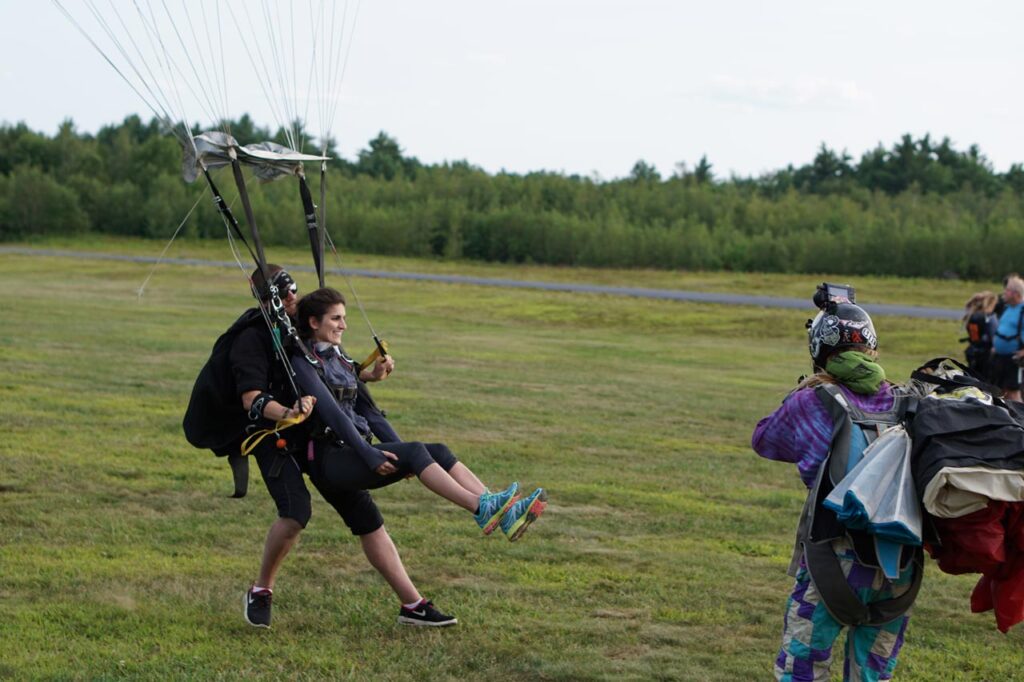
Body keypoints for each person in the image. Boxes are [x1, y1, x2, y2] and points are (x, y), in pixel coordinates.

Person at [288, 286, 547, 627]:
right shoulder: (302, 362)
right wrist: (371, 454)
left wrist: (402, 454)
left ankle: (499, 511)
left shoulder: (339, 358)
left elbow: (371, 413)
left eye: (344, 318)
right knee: (412, 457)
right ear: (313, 322)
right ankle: (482, 508)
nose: (343, 326)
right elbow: (334, 416)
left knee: (433, 452)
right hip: (330, 459)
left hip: (352, 452)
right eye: (336, 319)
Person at [751, 298, 917, 682]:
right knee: (872, 675)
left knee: (803, 669)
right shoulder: (908, 401)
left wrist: (801, 393)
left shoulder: (813, 401)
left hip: (835, 560)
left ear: (819, 351)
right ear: (871, 346)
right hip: (901, 566)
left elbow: (765, 440)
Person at [235, 265, 399, 629]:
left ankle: (413, 604)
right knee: (296, 512)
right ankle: (261, 590)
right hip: (272, 437)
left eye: (293, 289)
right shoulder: (251, 339)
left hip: (314, 436)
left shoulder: (298, 327)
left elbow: (329, 366)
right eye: (283, 293)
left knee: (366, 516)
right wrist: (288, 412)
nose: (292, 297)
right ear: (266, 299)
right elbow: (251, 399)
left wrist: (367, 374)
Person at [990, 276, 1024, 401]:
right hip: (1000, 358)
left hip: (1014, 360)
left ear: (1016, 293)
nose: (1004, 292)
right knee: (1000, 392)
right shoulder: (1007, 308)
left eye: (1007, 290)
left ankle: (1019, 413)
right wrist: (996, 346)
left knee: (1013, 393)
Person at [961, 291, 998, 381]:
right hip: (986, 355)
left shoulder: (972, 316)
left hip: (974, 351)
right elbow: (993, 336)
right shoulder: (987, 318)